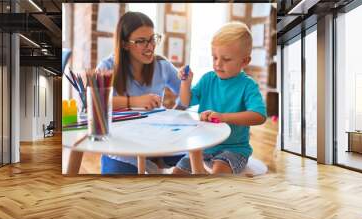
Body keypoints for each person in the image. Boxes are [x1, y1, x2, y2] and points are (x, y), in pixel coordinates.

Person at [172, 21, 267, 175]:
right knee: (176, 174)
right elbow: (186, 101)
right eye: (214, 57)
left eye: (226, 59)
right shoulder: (208, 79)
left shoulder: (248, 85)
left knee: (219, 174)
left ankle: (199, 171)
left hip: (234, 149)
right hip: (205, 146)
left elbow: (259, 116)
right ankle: (199, 169)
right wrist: (185, 82)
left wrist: (223, 117)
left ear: (245, 61)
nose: (217, 64)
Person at [97, 11, 183, 174]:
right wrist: (135, 101)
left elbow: (188, 94)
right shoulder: (107, 67)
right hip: (121, 148)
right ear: (124, 44)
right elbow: (94, 103)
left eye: (152, 39)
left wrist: (177, 111)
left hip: (158, 141)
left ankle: (155, 162)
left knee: (195, 157)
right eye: (141, 41)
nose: (150, 46)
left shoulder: (162, 65)